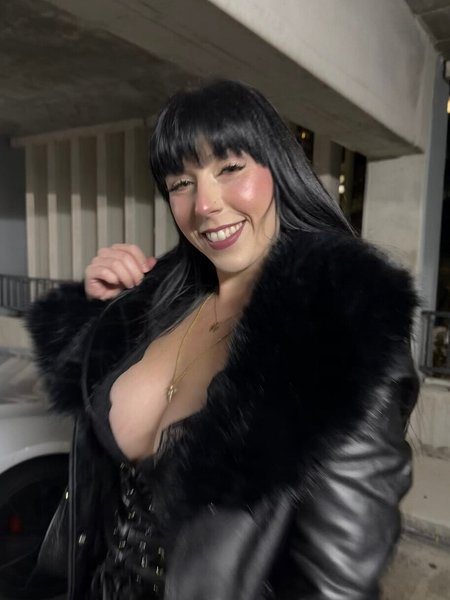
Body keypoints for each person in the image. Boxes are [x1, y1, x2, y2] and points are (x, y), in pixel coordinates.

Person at [26, 79, 419, 600]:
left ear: (278, 168)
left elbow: (335, 584)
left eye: (230, 168)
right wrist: (100, 313)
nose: (205, 205)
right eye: (180, 183)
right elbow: (92, 486)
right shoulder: (159, 299)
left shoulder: (339, 329)